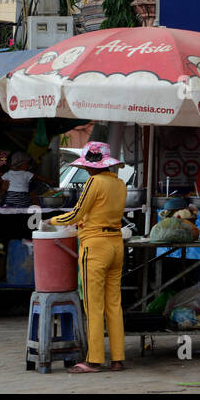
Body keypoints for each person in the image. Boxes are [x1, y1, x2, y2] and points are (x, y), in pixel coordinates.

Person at [49, 141, 128, 373]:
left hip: (95, 247)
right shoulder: (120, 184)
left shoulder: (95, 181)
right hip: (116, 245)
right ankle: (117, 358)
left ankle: (93, 360)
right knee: (114, 304)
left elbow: (76, 213)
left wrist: (51, 220)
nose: (86, 171)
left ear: (91, 166)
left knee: (93, 305)